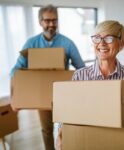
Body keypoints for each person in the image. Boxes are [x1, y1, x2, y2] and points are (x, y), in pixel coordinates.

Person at [55, 20, 124, 150]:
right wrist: (60, 135)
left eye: (109, 38)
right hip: (87, 141)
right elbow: (68, 114)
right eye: (97, 38)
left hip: (120, 142)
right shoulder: (80, 76)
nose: (102, 43)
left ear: (121, 44)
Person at [10, 4, 85, 150]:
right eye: (47, 20)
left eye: (54, 20)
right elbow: (15, 71)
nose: (51, 24)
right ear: (40, 22)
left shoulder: (67, 43)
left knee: (68, 128)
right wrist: (15, 98)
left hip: (63, 94)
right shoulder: (32, 43)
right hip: (42, 94)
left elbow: (81, 68)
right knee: (47, 129)